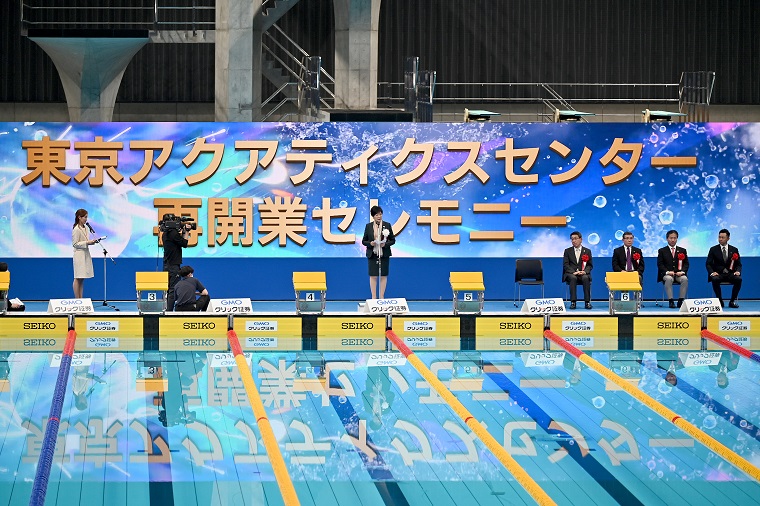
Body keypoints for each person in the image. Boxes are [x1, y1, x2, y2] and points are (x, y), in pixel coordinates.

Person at [361, 206, 395, 299]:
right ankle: (373, 297)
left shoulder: (387, 225)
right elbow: (364, 241)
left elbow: (393, 240)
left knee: (383, 275)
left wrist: (385, 244)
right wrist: (370, 243)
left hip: (384, 254)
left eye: (380, 214)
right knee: (373, 275)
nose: (379, 216)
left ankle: (382, 296)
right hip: (372, 254)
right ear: (373, 216)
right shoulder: (368, 226)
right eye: (377, 215)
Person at [706, 228, 742, 308]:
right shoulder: (713, 249)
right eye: (719, 237)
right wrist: (712, 273)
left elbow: (739, 264)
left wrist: (738, 271)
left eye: (723, 237)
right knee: (714, 279)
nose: (720, 239)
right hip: (719, 273)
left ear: (728, 238)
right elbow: (708, 264)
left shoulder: (734, 249)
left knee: (738, 279)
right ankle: (719, 301)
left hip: (730, 273)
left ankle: (732, 301)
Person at [162, 215, 192, 311]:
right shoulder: (173, 233)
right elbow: (184, 243)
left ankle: (167, 309)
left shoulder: (165, 234)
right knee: (172, 289)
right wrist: (186, 231)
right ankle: (169, 312)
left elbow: (179, 242)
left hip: (167, 264)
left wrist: (183, 231)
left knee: (168, 289)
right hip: (173, 266)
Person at [656, 229, 689, 308]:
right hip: (667, 274)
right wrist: (667, 272)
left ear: (677, 238)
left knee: (684, 279)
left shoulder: (682, 250)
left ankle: (681, 301)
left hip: (679, 274)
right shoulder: (662, 251)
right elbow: (660, 264)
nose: (673, 240)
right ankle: (671, 301)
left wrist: (682, 272)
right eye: (671, 238)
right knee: (668, 279)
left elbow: (686, 263)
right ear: (667, 239)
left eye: (675, 238)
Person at [562, 231, 593, 309]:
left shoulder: (587, 251)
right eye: (572, 239)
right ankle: (573, 302)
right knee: (573, 278)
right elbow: (566, 265)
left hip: (583, 273)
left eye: (575, 239)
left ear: (581, 239)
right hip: (571, 274)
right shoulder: (567, 251)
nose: (573, 241)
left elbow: (590, 265)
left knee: (585, 278)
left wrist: (585, 271)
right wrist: (574, 272)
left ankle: (587, 302)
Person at [72, 208, 97, 298]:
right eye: (85, 217)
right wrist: (87, 242)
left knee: (82, 278)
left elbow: (86, 240)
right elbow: (75, 244)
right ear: (79, 217)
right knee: (77, 277)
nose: (86, 219)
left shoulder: (86, 228)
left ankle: (81, 299)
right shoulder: (76, 229)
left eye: (87, 217)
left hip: (85, 254)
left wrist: (92, 242)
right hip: (79, 255)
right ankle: (76, 298)